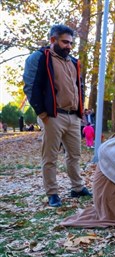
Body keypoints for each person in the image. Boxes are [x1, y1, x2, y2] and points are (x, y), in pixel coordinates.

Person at [23, 24, 91, 207]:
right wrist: (42, 113)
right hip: (53, 116)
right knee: (50, 157)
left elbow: (79, 87)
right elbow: (30, 86)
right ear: (53, 40)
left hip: (73, 117)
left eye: (70, 43)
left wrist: (80, 111)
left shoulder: (73, 62)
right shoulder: (39, 58)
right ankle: (52, 193)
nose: (69, 46)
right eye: (65, 42)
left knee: (74, 155)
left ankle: (77, 188)